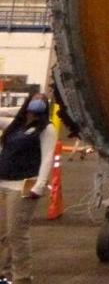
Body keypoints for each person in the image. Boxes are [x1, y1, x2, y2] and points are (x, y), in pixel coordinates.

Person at [0, 93, 56, 284]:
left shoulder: (46, 129)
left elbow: (48, 158)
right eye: (35, 99)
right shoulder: (15, 126)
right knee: (3, 233)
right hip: (3, 182)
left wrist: (40, 185)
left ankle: (22, 276)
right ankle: (3, 272)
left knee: (17, 232)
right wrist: (16, 111)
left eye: (43, 99)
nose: (39, 102)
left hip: (23, 185)